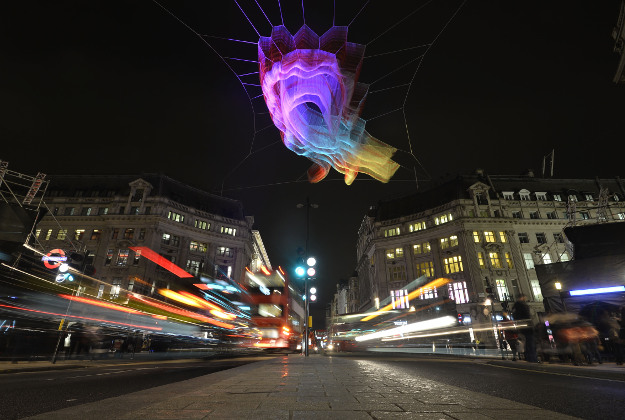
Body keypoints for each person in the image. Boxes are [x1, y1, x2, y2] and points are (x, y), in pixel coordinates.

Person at [512, 294, 538, 362]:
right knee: (530, 343)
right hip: (527, 327)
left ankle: (528, 357)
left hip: (521, 327)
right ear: (522, 298)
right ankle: (533, 359)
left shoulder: (515, 306)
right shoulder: (523, 305)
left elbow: (515, 317)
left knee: (526, 343)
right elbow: (527, 315)